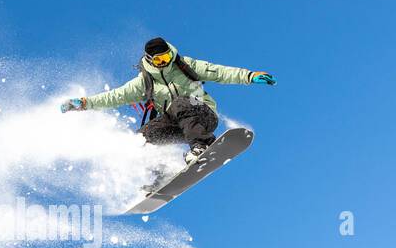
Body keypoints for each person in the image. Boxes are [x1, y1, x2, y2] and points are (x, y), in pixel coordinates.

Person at [60, 37, 274, 162]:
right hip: (178, 126)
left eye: (167, 57)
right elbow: (115, 96)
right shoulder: (144, 82)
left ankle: (202, 144)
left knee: (179, 102)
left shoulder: (185, 65)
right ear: (150, 60)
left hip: (202, 115)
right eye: (160, 60)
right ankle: (156, 176)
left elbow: (219, 72)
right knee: (140, 138)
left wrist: (250, 76)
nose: (165, 62)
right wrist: (84, 103)